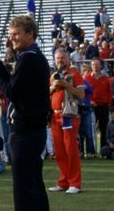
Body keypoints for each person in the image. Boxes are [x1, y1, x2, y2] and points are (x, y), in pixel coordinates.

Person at [0, 15, 50, 211]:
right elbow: (16, 85)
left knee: (24, 188)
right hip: (33, 130)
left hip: (25, 131)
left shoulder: (28, 59)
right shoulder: (33, 57)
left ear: (30, 34)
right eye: (10, 34)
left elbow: (12, 92)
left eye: (16, 34)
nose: (12, 38)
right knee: (34, 182)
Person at [48, 49, 84, 194]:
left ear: (68, 59)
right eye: (58, 58)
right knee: (60, 151)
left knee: (71, 149)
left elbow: (81, 95)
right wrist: (53, 87)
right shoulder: (53, 76)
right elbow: (47, 93)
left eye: (63, 58)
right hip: (54, 116)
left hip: (68, 115)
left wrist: (66, 85)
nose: (60, 60)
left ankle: (75, 183)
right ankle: (64, 181)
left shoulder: (75, 74)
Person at [83, 57, 112, 152]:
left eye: (97, 64)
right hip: (91, 107)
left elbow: (109, 93)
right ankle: (92, 151)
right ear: (91, 66)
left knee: (104, 129)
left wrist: (108, 104)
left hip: (103, 107)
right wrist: (89, 101)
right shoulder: (86, 78)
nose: (95, 66)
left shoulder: (105, 78)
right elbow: (84, 93)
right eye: (93, 64)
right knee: (90, 130)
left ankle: (103, 149)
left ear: (101, 66)